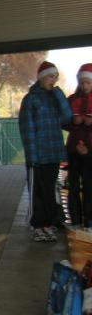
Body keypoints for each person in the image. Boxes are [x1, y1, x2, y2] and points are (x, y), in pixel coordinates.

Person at [18, 60, 73, 241]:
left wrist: (59, 95)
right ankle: (37, 226)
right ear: (41, 78)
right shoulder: (30, 99)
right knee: (37, 193)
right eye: (50, 76)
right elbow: (27, 130)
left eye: (56, 77)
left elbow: (67, 118)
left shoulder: (55, 97)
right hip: (38, 156)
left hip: (53, 154)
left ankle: (48, 224)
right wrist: (32, 157)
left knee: (49, 192)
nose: (54, 80)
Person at [65, 64, 92, 228]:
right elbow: (63, 121)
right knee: (73, 185)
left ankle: (89, 221)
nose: (85, 86)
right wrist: (73, 122)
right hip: (74, 149)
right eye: (82, 83)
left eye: (88, 82)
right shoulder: (72, 100)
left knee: (89, 186)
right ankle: (75, 219)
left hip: (90, 151)